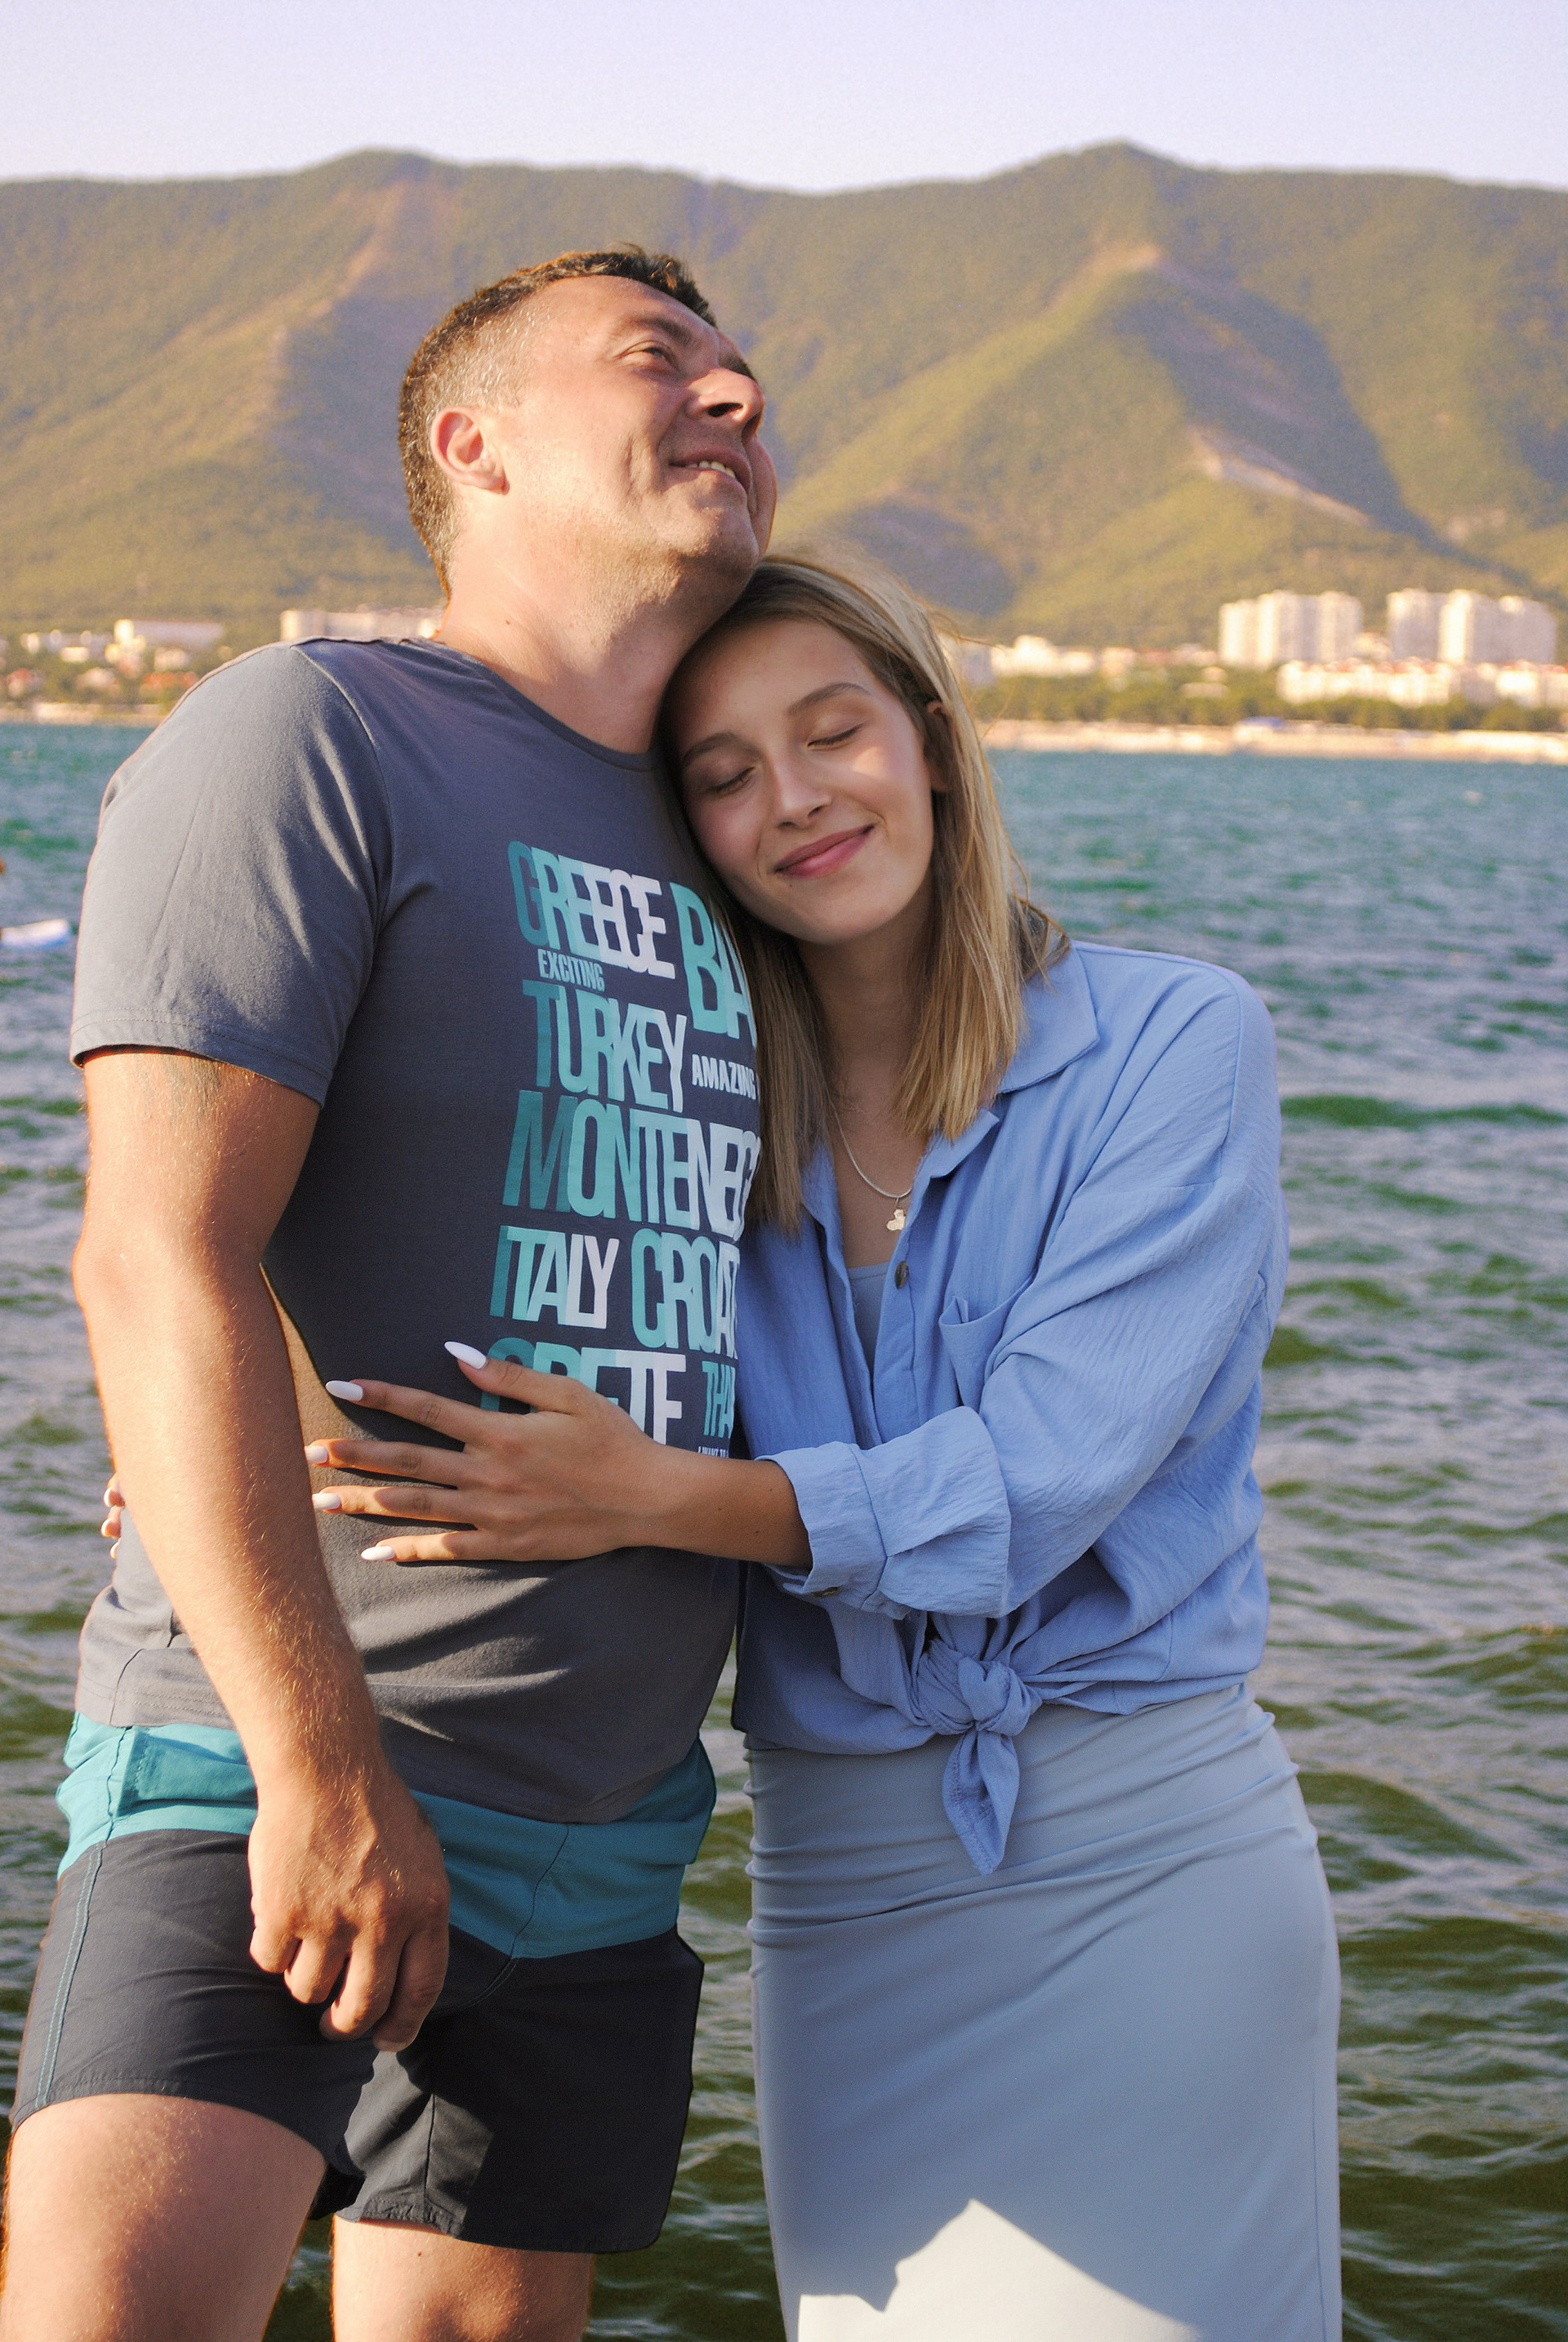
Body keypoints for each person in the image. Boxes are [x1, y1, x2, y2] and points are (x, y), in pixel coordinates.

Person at [296, 555, 1343, 2341]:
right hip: (838, 1883)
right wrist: (242, 1439)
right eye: (722, 773)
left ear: (930, 741)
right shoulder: (695, 1117)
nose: (792, 798)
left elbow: (1035, 1483)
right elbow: (491, 1291)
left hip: (1146, 1858)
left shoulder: (1177, 1043)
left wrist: (656, 1497)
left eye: (833, 732)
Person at [2, 248, 777, 2342]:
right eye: (664, 361)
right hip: (275, 1762)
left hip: (609, 1830)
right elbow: (154, 1246)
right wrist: (320, 1767)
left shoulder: (735, 831)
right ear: (473, 444)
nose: (736, 395)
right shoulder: (313, 731)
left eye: (743, 373)